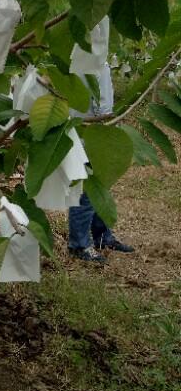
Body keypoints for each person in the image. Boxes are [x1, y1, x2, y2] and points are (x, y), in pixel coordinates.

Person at [68, 61, 134, 263]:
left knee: (100, 188)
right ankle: (79, 244)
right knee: (85, 194)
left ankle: (102, 237)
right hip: (90, 137)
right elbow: (103, 107)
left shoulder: (78, 62)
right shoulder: (94, 64)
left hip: (85, 135)